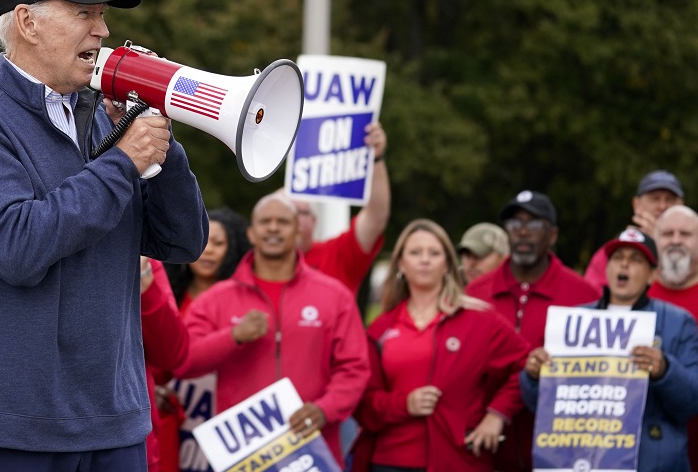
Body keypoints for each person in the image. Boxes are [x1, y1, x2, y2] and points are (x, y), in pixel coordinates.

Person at [0, 0, 208, 472]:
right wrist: (124, 162)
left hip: (114, 420)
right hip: (11, 426)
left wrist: (158, 133)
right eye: (85, 14)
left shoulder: (104, 118)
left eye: (101, 16)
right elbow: (18, 245)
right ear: (28, 23)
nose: (102, 31)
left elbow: (183, 241)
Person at [173, 193, 369, 466]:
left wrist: (325, 409)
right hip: (244, 454)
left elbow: (355, 368)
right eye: (266, 222)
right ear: (252, 234)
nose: (274, 228)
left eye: (283, 222)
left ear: (298, 231)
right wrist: (233, 336)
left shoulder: (334, 296)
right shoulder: (217, 299)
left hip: (313, 448)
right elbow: (184, 361)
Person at [350, 219, 527, 472]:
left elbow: (525, 365)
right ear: (401, 263)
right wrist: (404, 404)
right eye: (415, 252)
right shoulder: (379, 330)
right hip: (389, 461)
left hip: (457, 460)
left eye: (434, 253)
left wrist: (497, 415)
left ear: (447, 264)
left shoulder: (479, 320)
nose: (425, 260)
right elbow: (363, 404)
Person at [521, 228, 698, 472]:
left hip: (652, 462)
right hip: (582, 460)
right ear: (607, 269)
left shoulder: (678, 323)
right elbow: (541, 405)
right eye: (617, 258)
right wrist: (533, 375)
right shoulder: (574, 320)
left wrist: (664, 371)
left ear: (652, 275)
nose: (624, 265)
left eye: (636, 260)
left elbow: (691, 402)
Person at [466, 190, 600, 472]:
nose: (523, 233)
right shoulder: (476, 293)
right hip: (482, 448)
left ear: (552, 235)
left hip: (558, 450)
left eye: (534, 224)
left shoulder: (584, 295)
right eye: (515, 225)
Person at [158, 207, 251, 472]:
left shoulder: (244, 300)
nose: (207, 250)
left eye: (218, 243)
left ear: (233, 249)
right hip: (174, 422)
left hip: (226, 419)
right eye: (202, 239)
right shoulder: (165, 297)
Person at [291, 121, 390, 294]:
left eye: (300, 212)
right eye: (286, 213)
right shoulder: (257, 262)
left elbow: (376, 216)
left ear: (314, 220)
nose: (292, 220)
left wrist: (376, 159)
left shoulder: (337, 254)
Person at [647, 205, 698, 470]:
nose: (676, 240)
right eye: (667, 233)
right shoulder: (632, 295)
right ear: (654, 239)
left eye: (686, 234)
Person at [583, 170, 684, 292]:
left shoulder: (693, 251)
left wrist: (661, 243)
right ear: (637, 205)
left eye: (670, 200)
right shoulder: (612, 251)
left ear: (682, 206)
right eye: (655, 199)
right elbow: (594, 298)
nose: (662, 206)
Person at [140, 257, 190, 472]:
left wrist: (145, 285)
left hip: (129, 442)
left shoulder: (144, 261)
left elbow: (173, 355)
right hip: (39, 434)